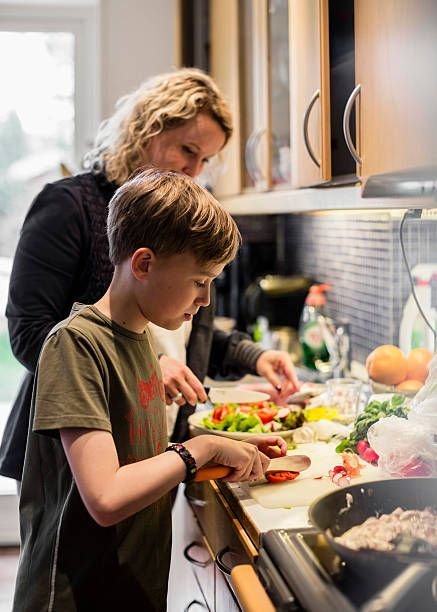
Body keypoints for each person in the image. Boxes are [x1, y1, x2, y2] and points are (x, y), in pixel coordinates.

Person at [0, 67, 299, 484]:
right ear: (146, 130)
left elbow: (182, 332)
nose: (195, 170)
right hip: (74, 451)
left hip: (150, 441)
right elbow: (31, 332)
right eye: (187, 150)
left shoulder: (182, 217)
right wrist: (146, 368)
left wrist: (255, 356)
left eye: (206, 160)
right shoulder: (69, 206)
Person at [12, 168, 288, 611]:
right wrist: (199, 452)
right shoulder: (75, 345)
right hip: (73, 598)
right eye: (200, 281)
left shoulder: (140, 338)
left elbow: (134, 456)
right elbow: (106, 496)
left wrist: (221, 446)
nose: (206, 300)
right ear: (143, 263)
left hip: (129, 587)